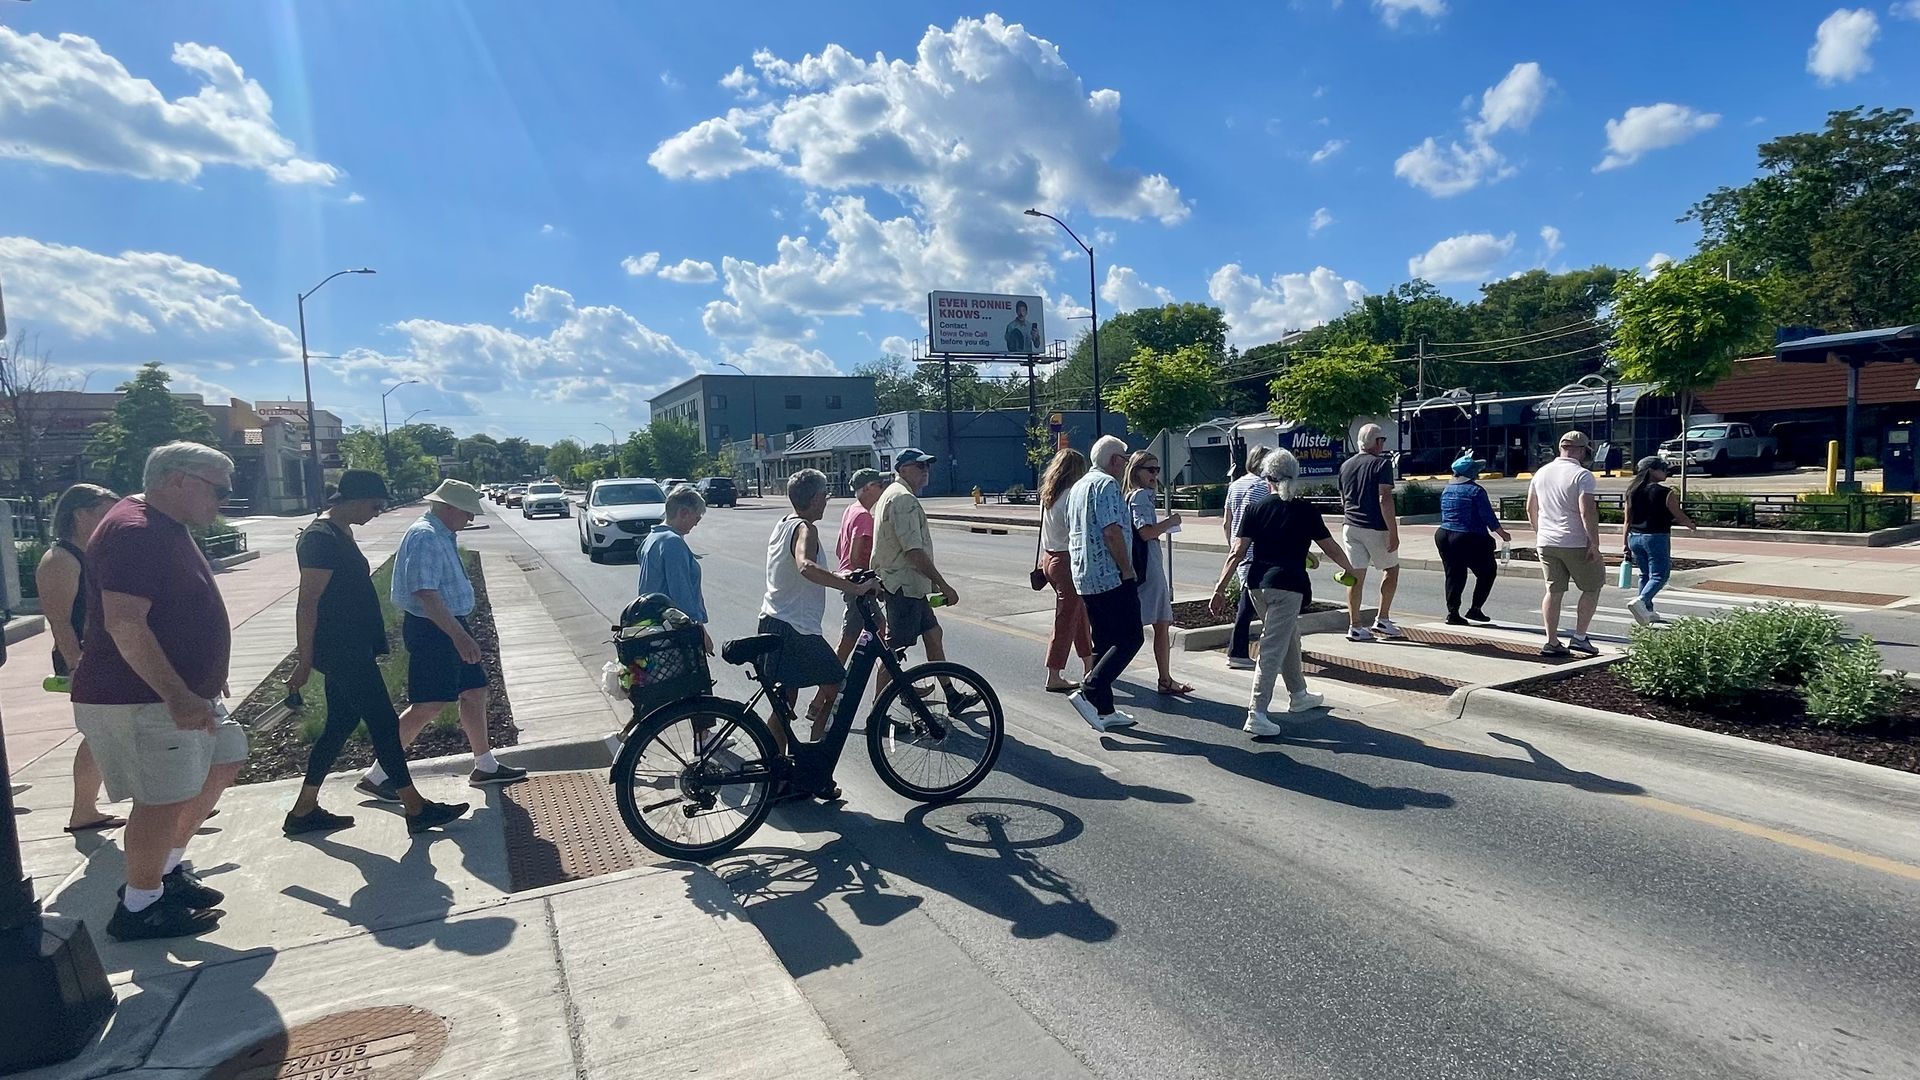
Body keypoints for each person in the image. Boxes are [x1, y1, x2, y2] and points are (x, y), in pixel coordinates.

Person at [72, 442, 247, 940]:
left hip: (179, 693)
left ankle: (165, 872)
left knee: (225, 759)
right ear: (178, 480)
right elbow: (125, 624)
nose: (225, 501)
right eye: (219, 490)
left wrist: (207, 671)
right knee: (161, 799)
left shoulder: (162, 525)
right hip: (142, 699)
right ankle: (140, 907)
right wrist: (177, 693)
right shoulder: (136, 532)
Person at [284, 470, 468, 836]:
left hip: (352, 647)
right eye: (375, 504)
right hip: (340, 651)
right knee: (384, 725)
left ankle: (303, 811)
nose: (378, 511)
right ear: (353, 499)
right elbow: (307, 604)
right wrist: (304, 662)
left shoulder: (339, 532)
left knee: (340, 725)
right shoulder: (319, 538)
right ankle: (415, 808)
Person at [359, 479, 527, 803]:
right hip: (433, 629)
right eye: (467, 512)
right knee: (429, 705)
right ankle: (379, 775)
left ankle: (485, 765)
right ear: (448, 507)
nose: (471, 519)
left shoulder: (440, 532)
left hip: (446, 625)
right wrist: (460, 637)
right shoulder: (426, 536)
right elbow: (426, 594)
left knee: (475, 692)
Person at [1211, 449, 1357, 736]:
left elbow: (1237, 552)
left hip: (1256, 585)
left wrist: (1219, 587)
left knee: (1288, 636)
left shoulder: (1256, 509)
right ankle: (1257, 712)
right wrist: (1350, 569)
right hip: (1288, 586)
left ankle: (1299, 694)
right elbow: (1330, 547)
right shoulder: (1305, 510)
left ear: (1268, 478)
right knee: (1272, 647)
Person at [758, 469, 880, 756]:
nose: (828, 499)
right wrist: (858, 589)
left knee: (784, 701)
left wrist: (845, 578)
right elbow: (805, 566)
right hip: (795, 630)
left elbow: (798, 571)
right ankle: (817, 760)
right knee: (838, 688)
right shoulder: (805, 529)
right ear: (814, 498)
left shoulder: (784, 523)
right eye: (825, 494)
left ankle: (779, 771)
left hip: (772, 621)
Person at [34, 482, 121, 833]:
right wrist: (78, 665)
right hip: (86, 660)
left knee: (109, 732)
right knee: (101, 733)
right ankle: (83, 810)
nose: (114, 518)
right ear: (80, 514)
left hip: (107, 656)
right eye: (106, 511)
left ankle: (88, 809)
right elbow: (59, 621)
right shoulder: (61, 560)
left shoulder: (94, 553)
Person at [870, 448, 978, 710]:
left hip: (909, 585)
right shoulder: (903, 499)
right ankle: (878, 710)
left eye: (927, 466)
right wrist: (943, 585)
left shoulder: (894, 495)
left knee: (933, 633)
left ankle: (951, 695)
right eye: (919, 467)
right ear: (903, 469)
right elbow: (913, 551)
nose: (925, 471)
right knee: (894, 651)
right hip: (903, 586)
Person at [1066, 435, 1143, 733]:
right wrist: (1127, 570)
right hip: (1111, 575)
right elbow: (1112, 532)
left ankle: (1104, 710)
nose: (1125, 465)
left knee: (1105, 640)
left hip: (1085, 576)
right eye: (1124, 459)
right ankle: (1090, 689)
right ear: (1114, 460)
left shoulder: (1080, 486)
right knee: (1131, 637)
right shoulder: (1107, 485)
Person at [1527, 431, 1604, 657]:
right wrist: (1594, 543)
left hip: (1546, 541)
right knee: (1592, 587)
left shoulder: (1540, 473)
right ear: (1581, 450)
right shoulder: (1582, 475)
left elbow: (1531, 508)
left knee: (1553, 590)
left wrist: (1540, 533)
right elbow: (1586, 511)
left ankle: (1551, 641)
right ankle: (1580, 637)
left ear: (1561, 447)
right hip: (1575, 541)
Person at [1125, 450, 1190, 696]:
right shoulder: (1140, 496)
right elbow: (1146, 532)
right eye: (1149, 470)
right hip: (1148, 569)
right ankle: (1164, 679)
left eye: (1157, 470)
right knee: (1158, 624)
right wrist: (1171, 521)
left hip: (1143, 567)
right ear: (1136, 471)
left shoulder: (1134, 496)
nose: (1154, 475)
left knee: (1157, 623)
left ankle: (1165, 678)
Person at [1338, 423, 1403, 641]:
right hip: (1374, 526)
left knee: (1356, 577)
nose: (1383, 444)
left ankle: (1355, 625)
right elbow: (1384, 497)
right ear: (1376, 442)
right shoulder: (1381, 465)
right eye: (1382, 440)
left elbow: (1343, 499)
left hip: (1350, 525)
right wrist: (1393, 532)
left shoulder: (1346, 465)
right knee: (1391, 569)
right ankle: (1383, 619)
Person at [1038, 448, 1094, 692]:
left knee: (1077, 614)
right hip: (1067, 560)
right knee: (1066, 618)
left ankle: (1089, 664)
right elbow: (1078, 532)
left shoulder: (1049, 494)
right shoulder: (1072, 495)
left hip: (1049, 559)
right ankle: (1054, 673)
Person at [1435, 454, 1512, 625]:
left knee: (1454, 574)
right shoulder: (1475, 491)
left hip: (1444, 534)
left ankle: (1453, 612)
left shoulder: (1447, 489)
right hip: (1468, 536)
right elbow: (1488, 517)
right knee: (1488, 571)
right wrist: (1503, 534)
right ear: (1471, 473)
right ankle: (1475, 609)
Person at [1623, 456, 1700, 625]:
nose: (1666, 471)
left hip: (1634, 537)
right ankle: (1642, 601)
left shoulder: (1632, 491)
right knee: (1660, 575)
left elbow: (1627, 520)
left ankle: (1647, 611)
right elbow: (1678, 515)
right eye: (1663, 468)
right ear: (1652, 470)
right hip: (1656, 537)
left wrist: (1625, 544)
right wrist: (1690, 524)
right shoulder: (1665, 492)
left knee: (1645, 574)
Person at [833, 468, 889, 674]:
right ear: (867, 488)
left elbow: (840, 548)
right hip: (858, 585)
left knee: (878, 628)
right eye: (879, 485)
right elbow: (856, 557)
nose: (883, 489)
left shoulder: (851, 509)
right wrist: (871, 581)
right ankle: (821, 700)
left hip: (850, 581)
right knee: (848, 640)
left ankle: (891, 683)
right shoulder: (864, 516)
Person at [1221, 447, 1272, 669]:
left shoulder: (1235, 485)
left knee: (1249, 602)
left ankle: (1240, 649)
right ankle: (1239, 650)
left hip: (1239, 549)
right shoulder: (1264, 487)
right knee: (1252, 605)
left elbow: (1226, 521)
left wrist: (1233, 545)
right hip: (1258, 552)